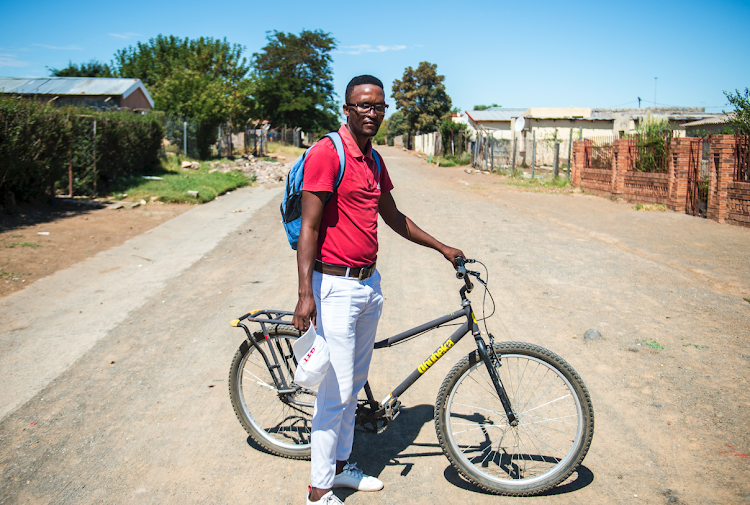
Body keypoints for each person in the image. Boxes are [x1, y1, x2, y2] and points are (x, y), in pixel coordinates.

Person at [293, 75, 464, 505]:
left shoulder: (373, 159)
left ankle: (341, 467)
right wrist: (304, 293)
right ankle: (318, 491)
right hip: (333, 285)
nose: (372, 113)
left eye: (379, 106)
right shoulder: (326, 153)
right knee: (336, 392)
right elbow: (310, 226)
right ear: (347, 109)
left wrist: (442, 248)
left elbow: (393, 216)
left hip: (368, 283)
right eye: (363, 105)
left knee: (354, 382)